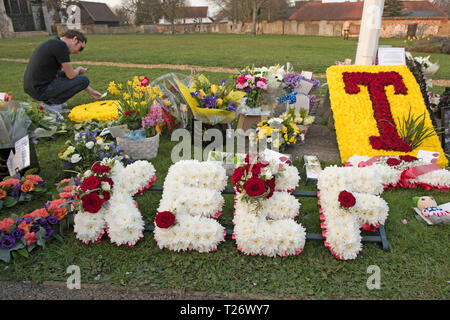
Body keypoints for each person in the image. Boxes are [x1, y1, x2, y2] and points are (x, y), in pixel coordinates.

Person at [23, 30, 102, 112]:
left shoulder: (55, 42)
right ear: (74, 39)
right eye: (80, 48)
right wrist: (78, 69)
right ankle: (52, 104)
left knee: (65, 74)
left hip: (33, 88)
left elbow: (66, 73)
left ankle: (50, 101)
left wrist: (90, 91)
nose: (78, 52)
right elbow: (71, 75)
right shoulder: (61, 46)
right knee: (84, 80)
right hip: (40, 90)